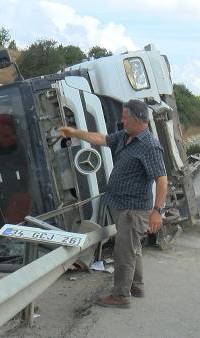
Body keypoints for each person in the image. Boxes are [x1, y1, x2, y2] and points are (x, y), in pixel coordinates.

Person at [59, 99, 168, 309]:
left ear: (137, 120)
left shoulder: (150, 146)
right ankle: (136, 286)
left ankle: (121, 296)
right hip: (121, 206)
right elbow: (101, 138)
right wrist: (75, 133)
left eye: (125, 117)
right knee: (132, 249)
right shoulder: (126, 137)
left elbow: (161, 179)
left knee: (124, 253)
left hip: (134, 210)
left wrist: (157, 211)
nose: (122, 120)